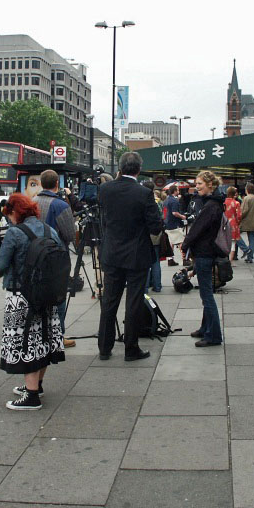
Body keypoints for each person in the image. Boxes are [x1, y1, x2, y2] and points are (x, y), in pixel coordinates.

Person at [0, 193, 65, 410]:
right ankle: (37, 386)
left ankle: (31, 396)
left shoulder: (15, 233)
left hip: (21, 295)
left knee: (26, 342)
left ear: (15, 212)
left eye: (9, 215)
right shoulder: (48, 229)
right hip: (48, 294)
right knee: (43, 340)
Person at [97, 152, 162, 362]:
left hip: (112, 253)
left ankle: (105, 348)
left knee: (109, 301)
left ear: (120, 168)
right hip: (136, 255)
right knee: (133, 302)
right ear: (138, 170)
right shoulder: (144, 193)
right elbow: (156, 226)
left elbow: (104, 220)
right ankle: (131, 348)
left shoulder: (105, 189)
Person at [34, 169, 77, 347]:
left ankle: (39, 333)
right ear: (57, 184)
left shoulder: (32, 202)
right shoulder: (60, 205)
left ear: (41, 183)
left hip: (34, 255)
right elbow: (69, 233)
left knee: (38, 294)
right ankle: (57, 336)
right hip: (56, 257)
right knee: (58, 296)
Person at [182, 171, 225, 347]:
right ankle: (205, 327)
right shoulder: (212, 203)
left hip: (204, 253)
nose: (196, 186)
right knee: (206, 293)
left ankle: (213, 335)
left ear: (210, 185)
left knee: (206, 295)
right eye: (196, 183)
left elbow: (197, 229)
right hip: (206, 252)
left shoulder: (210, 206)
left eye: (200, 184)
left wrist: (185, 244)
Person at [141, 180, 164, 295]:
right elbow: (162, 216)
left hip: (146, 233)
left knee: (145, 261)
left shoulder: (143, 200)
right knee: (156, 261)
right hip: (157, 234)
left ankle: (145, 287)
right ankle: (157, 285)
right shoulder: (158, 201)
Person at [238, 182, 254, 263]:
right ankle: (250, 257)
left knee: (236, 235)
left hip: (246, 221)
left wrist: (239, 218)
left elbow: (243, 211)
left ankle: (245, 249)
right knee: (252, 239)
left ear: (246, 189)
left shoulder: (246, 198)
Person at [163, 186, 186, 266]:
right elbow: (174, 212)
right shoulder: (174, 201)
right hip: (174, 224)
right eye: (178, 190)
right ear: (175, 191)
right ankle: (185, 259)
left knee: (171, 242)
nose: (179, 191)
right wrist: (182, 216)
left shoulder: (166, 200)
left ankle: (170, 259)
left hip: (167, 223)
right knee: (181, 241)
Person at [224, 187, 242, 260]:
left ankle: (225, 259)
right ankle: (230, 261)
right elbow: (239, 215)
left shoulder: (223, 202)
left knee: (224, 242)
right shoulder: (236, 203)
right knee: (233, 244)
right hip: (233, 224)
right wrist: (237, 222)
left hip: (224, 223)